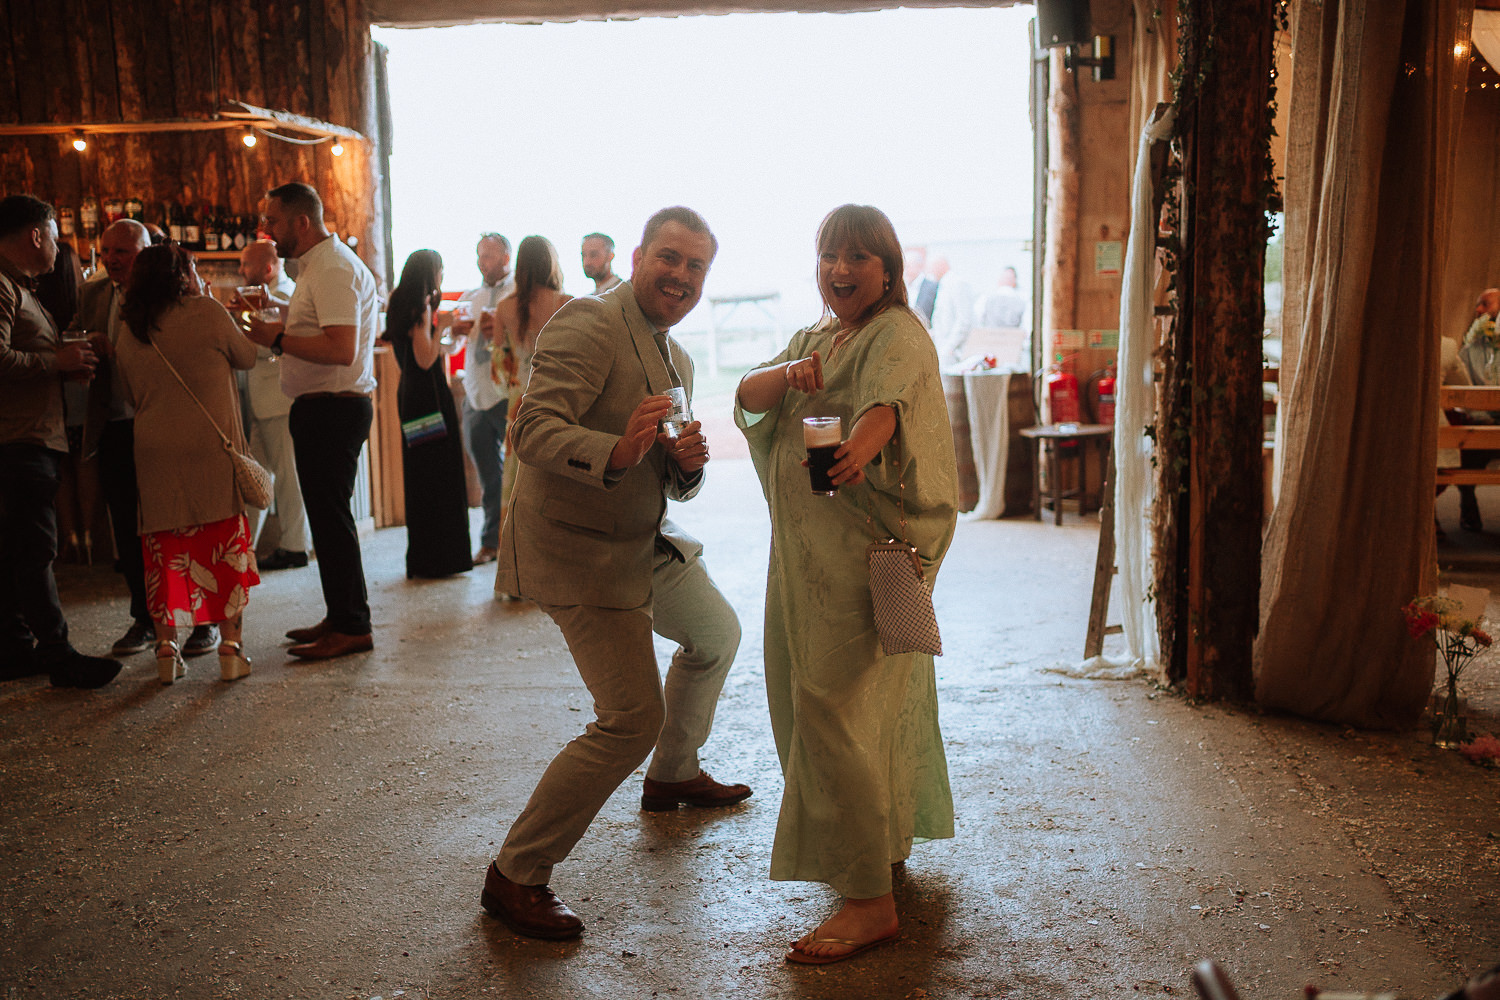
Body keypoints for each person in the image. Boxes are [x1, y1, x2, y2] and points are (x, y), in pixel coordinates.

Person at [483, 207, 749, 941]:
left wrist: (684, 467)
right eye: (670, 258)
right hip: (578, 550)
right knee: (629, 717)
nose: (681, 276)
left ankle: (672, 774)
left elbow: (671, 475)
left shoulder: (678, 360)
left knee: (716, 633)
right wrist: (620, 452)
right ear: (637, 257)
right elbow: (532, 431)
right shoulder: (587, 324)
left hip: (643, 536)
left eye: (697, 267)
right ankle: (515, 874)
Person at [735, 204, 958, 966]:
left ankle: (868, 903)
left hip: (861, 562)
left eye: (858, 257)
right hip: (806, 566)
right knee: (847, 705)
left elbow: (887, 410)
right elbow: (749, 398)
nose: (840, 269)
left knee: (833, 708)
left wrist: (858, 452)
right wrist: (782, 374)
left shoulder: (895, 333)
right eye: (830, 254)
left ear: (888, 271)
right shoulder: (815, 339)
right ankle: (878, 848)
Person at [243, 182, 380, 661]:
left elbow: (341, 347)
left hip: (333, 407)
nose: (268, 230)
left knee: (332, 520)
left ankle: (353, 625)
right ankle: (341, 614)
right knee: (326, 520)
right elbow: (326, 329)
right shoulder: (321, 266)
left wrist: (277, 337)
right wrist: (282, 317)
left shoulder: (332, 268)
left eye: (274, 221)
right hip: (325, 406)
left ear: (302, 222)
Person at [114, 243, 260, 684]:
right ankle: (231, 650)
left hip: (155, 449)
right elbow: (248, 357)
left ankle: (165, 652)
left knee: (164, 550)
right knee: (223, 549)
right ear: (184, 276)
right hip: (209, 449)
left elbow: (129, 395)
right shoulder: (209, 314)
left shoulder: (129, 328)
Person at [74, 220, 219, 659]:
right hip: (118, 426)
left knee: (185, 523)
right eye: (106, 251)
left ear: (149, 250)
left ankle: (205, 620)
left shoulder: (178, 296)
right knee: (130, 527)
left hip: (174, 427)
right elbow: (72, 336)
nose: (113, 259)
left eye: (124, 250)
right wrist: (87, 342)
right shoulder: (93, 295)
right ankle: (145, 617)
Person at [0, 194, 118, 687]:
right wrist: (57, 363)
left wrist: (64, 362)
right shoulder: (2, 287)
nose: (56, 247)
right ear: (35, 235)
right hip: (18, 442)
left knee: (13, 553)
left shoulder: (16, 286)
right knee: (36, 551)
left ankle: (15, 651)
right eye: (53, 236)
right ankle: (57, 654)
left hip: (26, 437)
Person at [385, 249, 472, 579]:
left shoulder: (399, 303)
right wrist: (442, 326)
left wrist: (451, 336)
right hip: (429, 402)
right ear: (429, 272)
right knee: (439, 474)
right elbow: (426, 358)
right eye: (440, 270)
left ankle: (425, 556)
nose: (442, 276)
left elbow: (429, 354)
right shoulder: (420, 305)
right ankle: (442, 558)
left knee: (423, 475)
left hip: (412, 397)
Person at [236, 239, 308, 571]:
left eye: (246, 265)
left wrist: (241, 329)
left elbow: (276, 342)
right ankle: (242, 550)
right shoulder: (258, 295)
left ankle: (295, 547)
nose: (241, 271)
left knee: (288, 477)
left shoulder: (287, 296)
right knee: (257, 477)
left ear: (268, 267)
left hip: (282, 399)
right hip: (262, 401)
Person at [491, 235, 572, 515]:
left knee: (516, 475)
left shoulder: (504, 308)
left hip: (519, 402)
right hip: (557, 399)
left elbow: (500, 368)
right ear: (551, 264)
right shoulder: (565, 303)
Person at [35, 241, 97, 565]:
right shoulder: (85, 301)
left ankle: (69, 538)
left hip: (52, 392)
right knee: (84, 463)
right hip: (82, 391)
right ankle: (89, 536)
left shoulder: (37, 302)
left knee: (61, 468)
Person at [455, 233, 513, 566]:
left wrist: (502, 331)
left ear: (506, 257)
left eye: (489, 255)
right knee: (487, 476)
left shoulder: (518, 294)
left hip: (506, 393)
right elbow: (452, 348)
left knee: (516, 475)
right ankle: (490, 543)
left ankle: (514, 544)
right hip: (475, 395)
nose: (482, 261)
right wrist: (454, 333)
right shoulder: (471, 298)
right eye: (479, 255)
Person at [1455, 287, 1500, 531]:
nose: (1479, 310)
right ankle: (1468, 506)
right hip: (1480, 428)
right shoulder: (1469, 350)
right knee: (1466, 450)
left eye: (1486, 304)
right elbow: (1462, 389)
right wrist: (1484, 419)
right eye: (1478, 305)